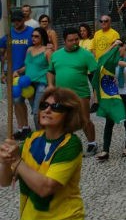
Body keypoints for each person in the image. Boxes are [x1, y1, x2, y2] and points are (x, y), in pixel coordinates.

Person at [0, 87, 85, 220]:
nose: (47, 110)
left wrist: (17, 160)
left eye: (56, 107)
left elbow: (45, 188)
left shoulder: (70, 144)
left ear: (69, 114)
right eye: (44, 105)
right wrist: (5, 162)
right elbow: (5, 181)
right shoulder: (32, 138)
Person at [48, 27, 99, 156]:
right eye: (71, 40)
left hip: (81, 93)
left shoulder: (86, 54)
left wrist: (97, 94)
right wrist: (50, 85)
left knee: (84, 120)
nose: (75, 42)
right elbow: (51, 71)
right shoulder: (56, 55)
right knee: (63, 120)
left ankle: (92, 143)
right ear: (64, 41)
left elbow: (95, 74)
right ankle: (66, 145)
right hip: (62, 95)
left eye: (77, 39)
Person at [96, 40, 126, 161]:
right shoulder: (113, 59)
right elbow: (101, 60)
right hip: (115, 95)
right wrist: (112, 46)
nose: (116, 49)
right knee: (109, 122)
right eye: (114, 47)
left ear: (124, 46)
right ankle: (105, 150)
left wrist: (117, 62)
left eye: (118, 47)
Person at [0, 10, 35, 140]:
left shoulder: (31, 32)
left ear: (24, 19)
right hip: (12, 74)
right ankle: (22, 128)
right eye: (14, 21)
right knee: (16, 101)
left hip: (27, 74)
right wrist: (3, 71)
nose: (16, 23)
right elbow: (2, 50)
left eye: (18, 21)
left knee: (31, 102)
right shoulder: (10, 33)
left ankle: (39, 128)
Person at [24, 27, 53, 130]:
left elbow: (52, 69)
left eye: (36, 36)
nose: (33, 38)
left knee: (37, 112)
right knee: (35, 111)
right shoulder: (29, 49)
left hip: (42, 83)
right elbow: (28, 66)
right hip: (28, 84)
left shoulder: (47, 51)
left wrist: (51, 85)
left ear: (42, 38)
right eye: (32, 36)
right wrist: (18, 71)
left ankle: (40, 135)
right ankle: (43, 132)